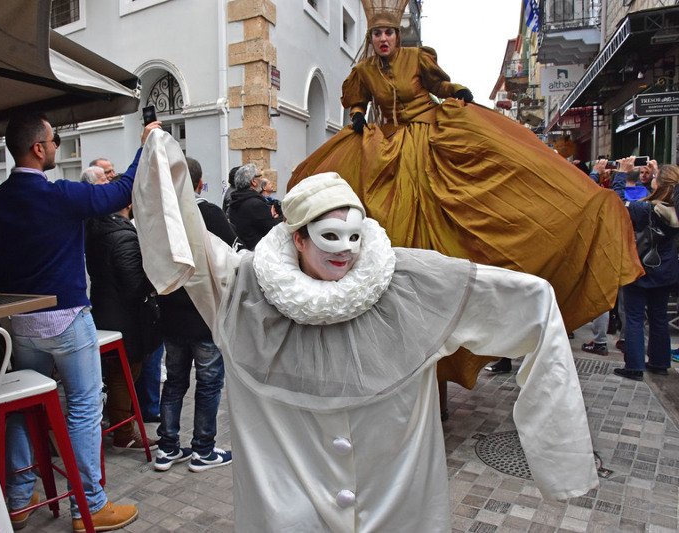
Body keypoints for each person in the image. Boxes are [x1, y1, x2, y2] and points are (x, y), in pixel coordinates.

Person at [133, 129, 598, 531]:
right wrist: (160, 157)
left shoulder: (410, 283)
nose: (346, 250)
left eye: (354, 236)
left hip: (393, 508)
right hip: (292, 513)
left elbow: (530, 302)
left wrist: (561, 459)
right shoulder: (244, 290)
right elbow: (188, 246)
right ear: (298, 237)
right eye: (329, 237)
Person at [288, 0, 641, 390]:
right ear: (370, 39)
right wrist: (357, 114)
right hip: (387, 146)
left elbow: (440, 86)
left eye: (388, 32)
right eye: (376, 34)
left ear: (397, 36)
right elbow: (358, 99)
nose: (383, 39)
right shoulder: (364, 71)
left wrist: (456, 90)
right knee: (384, 217)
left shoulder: (417, 59)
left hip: (430, 138)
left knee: (456, 210)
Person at [0, 112, 158, 531]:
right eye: (55, 138)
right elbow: (120, 191)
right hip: (67, 319)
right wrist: (145, 146)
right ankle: (89, 506)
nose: (57, 145)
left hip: (21, 325)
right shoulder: (58, 195)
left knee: (24, 408)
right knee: (83, 407)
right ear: (38, 148)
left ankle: (20, 498)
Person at [152, 157, 235, 472]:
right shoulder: (210, 214)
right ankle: (203, 449)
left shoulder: (161, 218)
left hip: (171, 313)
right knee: (209, 383)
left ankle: (167, 447)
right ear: (199, 183)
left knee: (174, 382)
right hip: (204, 315)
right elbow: (230, 256)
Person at [84, 184, 162, 449]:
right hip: (124, 317)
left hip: (105, 310)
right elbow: (133, 284)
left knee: (119, 372)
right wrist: (154, 280)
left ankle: (121, 425)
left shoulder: (97, 228)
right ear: (129, 203)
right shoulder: (123, 235)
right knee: (125, 372)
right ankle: (124, 433)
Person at [612, 157, 678, 380]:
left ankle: (634, 366)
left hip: (640, 267)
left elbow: (618, 203)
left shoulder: (646, 209)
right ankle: (660, 362)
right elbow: (667, 189)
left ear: (659, 184)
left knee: (634, 317)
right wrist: (659, 173)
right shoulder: (674, 210)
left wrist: (621, 174)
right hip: (666, 269)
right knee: (659, 317)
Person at [227, 163, 280, 250]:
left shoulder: (234, 202)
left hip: (243, 252)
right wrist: (277, 217)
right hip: (258, 252)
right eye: (260, 176)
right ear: (254, 181)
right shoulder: (255, 204)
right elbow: (273, 231)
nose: (262, 179)